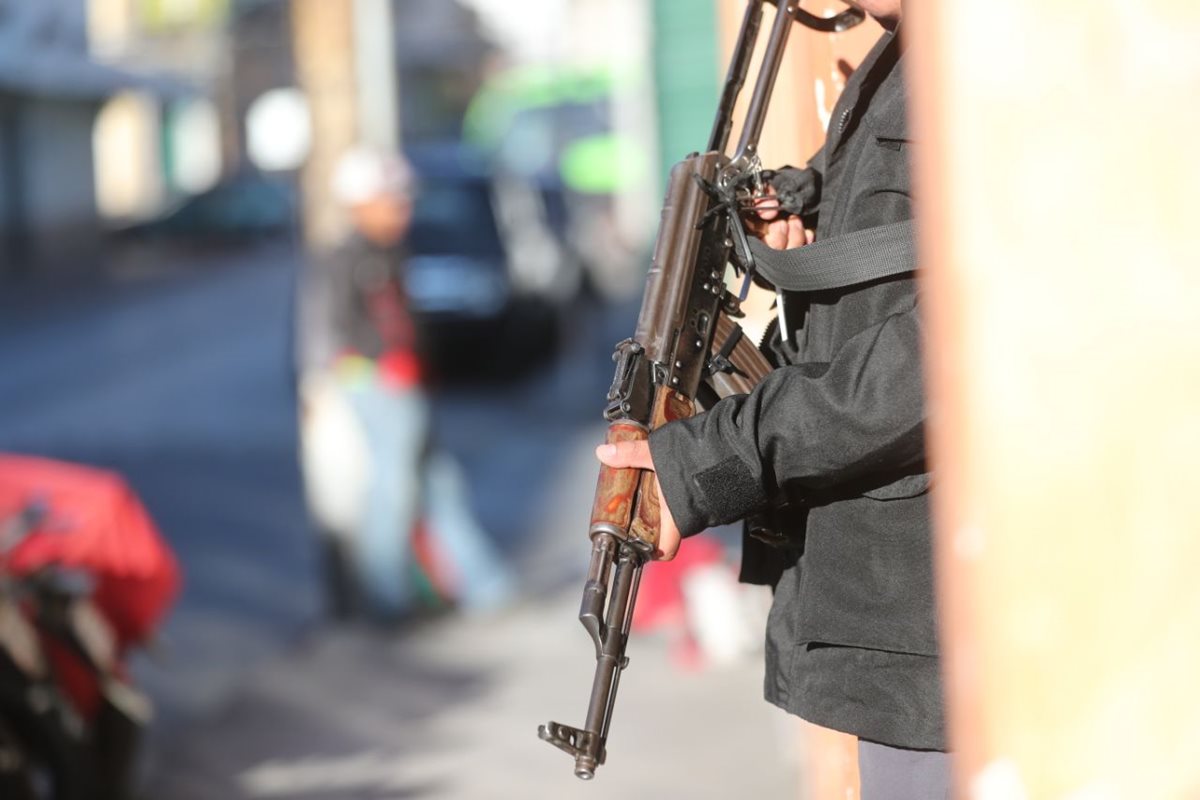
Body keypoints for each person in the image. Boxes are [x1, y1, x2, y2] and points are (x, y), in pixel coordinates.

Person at [596, 2, 950, 796]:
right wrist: (807, 210)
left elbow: (940, 353)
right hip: (901, 622)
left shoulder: (995, 57)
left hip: (951, 632)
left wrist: (710, 461)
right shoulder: (903, 57)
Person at [297, 147, 514, 620]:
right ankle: (386, 596)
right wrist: (383, 364)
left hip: (402, 385)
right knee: (394, 490)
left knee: (439, 487)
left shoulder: (387, 251)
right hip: (381, 389)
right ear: (363, 203)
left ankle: (485, 586)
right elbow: (338, 331)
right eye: (392, 200)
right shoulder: (348, 258)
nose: (403, 209)